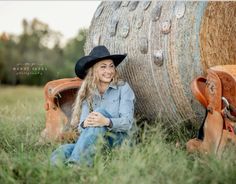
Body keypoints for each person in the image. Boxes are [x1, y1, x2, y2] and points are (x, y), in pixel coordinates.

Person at [50, 45, 135, 167]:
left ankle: (78, 165)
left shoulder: (123, 88)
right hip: (96, 141)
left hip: (119, 142)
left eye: (111, 66)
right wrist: (85, 123)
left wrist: (105, 121)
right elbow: (81, 129)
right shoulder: (89, 93)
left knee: (99, 112)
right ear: (94, 70)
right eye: (103, 67)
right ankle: (56, 171)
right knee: (63, 149)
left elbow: (127, 123)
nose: (109, 70)